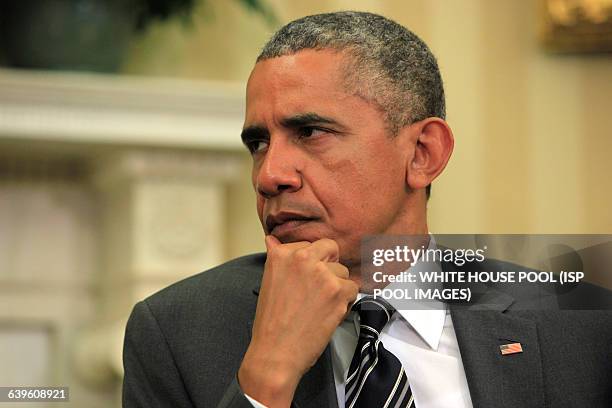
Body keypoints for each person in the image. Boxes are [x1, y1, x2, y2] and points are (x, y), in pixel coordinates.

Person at [122, 11, 612, 408]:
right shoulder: (176, 332)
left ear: (423, 154)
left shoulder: (581, 325)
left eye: (310, 132)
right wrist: (265, 382)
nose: (270, 174)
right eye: (258, 142)